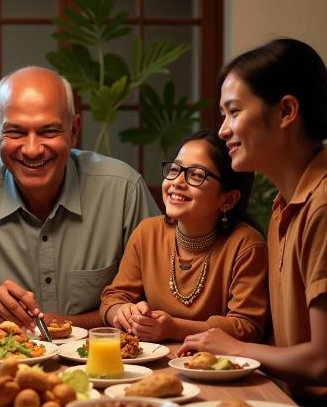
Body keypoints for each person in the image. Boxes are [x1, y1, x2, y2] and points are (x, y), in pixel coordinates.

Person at [0, 66, 159, 330]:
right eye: (16, 132)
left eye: (48, 132)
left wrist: (68, 324)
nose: (32, 150)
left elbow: (157, 299)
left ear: (74, 130)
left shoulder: (123, 190)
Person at [179, 38, 327, 407]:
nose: (223, 130)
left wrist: (235, 348)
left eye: (233, 112)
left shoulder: (321, 205)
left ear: (286, 111)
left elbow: (321, 361)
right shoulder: (283, 205)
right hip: (287, 406)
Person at [99, 129, 268, 342]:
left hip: (218, 369)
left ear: (228, 200)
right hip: (153, 365)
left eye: (196, 175)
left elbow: (246, 326)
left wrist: (174, 329)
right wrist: (123, 313)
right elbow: (112, 299)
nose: (177, 181)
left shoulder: (246, 245)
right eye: (175, 169)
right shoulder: (147, 233)